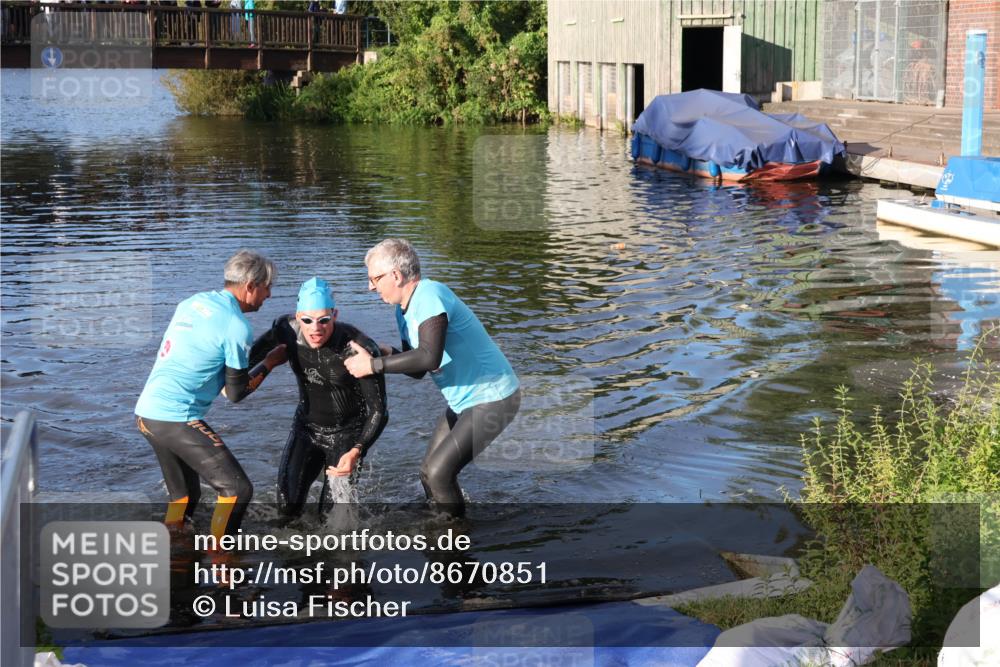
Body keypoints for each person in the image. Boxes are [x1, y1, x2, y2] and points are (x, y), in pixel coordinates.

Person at [344, 239, 520, 517]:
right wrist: (381, 352)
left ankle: (454, 542)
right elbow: (417, 369)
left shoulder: (429, 294)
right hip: (466, 402)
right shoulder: (403, 310)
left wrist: (374, 365)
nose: (370, 287)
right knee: (428, 472)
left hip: (494, 398)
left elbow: (429, 357)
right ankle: (441, 524)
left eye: (374, 279)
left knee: (439, 474)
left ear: (396, 275)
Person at [135, 250, 286, 541]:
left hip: (147, 413)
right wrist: (270, 363)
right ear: (250, 286)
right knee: (237, 490)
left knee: (185, 495)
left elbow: (219, 360)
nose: (269, 295)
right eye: (268, 287)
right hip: (176, 417)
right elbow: (235, 391)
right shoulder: (236, 327)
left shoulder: (193, 302)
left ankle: (176, 553)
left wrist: (265, 345)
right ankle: (222, 556)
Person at [249, 277, 388, 521]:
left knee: (331, 518)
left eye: (324, 320)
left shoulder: (358, 349)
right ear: (297, 316)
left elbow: (379, 410)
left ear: (335, 314)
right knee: (286, 509)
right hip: (307, 429)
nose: (316, 329)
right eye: (307, 321)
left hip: (346, 435)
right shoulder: (285, 329)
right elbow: (247, 359)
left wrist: (357, 450)